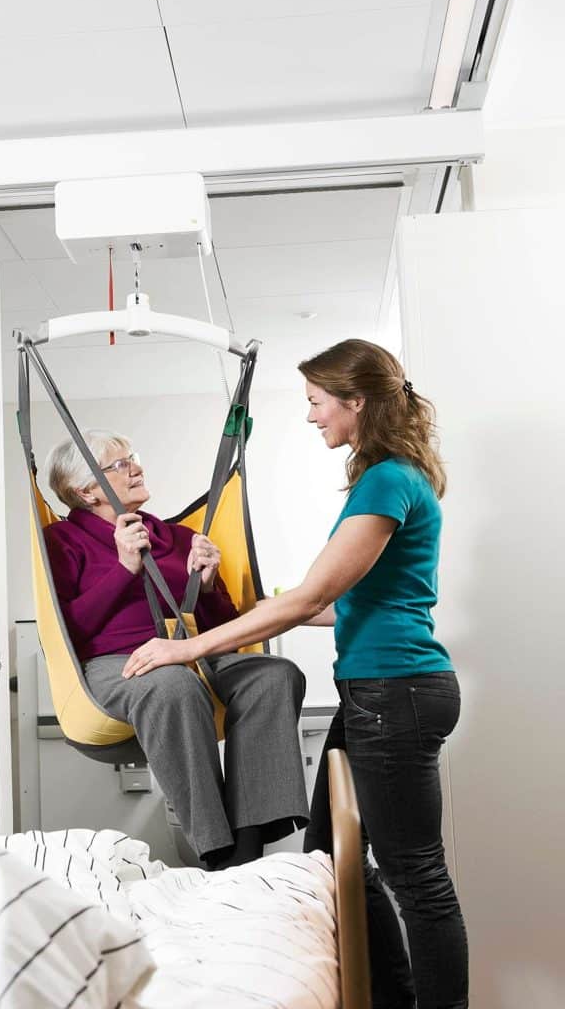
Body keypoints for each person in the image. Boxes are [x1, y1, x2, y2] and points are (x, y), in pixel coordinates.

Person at [124, 340, 468, 1009]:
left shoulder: (388, 478)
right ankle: (388, 997)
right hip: (378, 692)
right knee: (331, 858)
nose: (311, 416)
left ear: (355, 401)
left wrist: (185, 649)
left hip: (394, 695)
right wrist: (251, 609)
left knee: (416, 877)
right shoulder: (390, 477)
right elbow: (343, 604)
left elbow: (312, 599)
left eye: (316, 402)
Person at [42, 429, 310, 870]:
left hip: (193, 654)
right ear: (86, 490)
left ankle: (248, 841)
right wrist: (124, 569)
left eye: (134, 456)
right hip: (117, 665)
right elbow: (71, 630)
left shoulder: (180, 536)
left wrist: (205, 587)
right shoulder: (63, 542)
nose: (137, 468)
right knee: (173, 685)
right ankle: (218, 851)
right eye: (120, 464)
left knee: (274, 674)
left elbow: (227, 628)